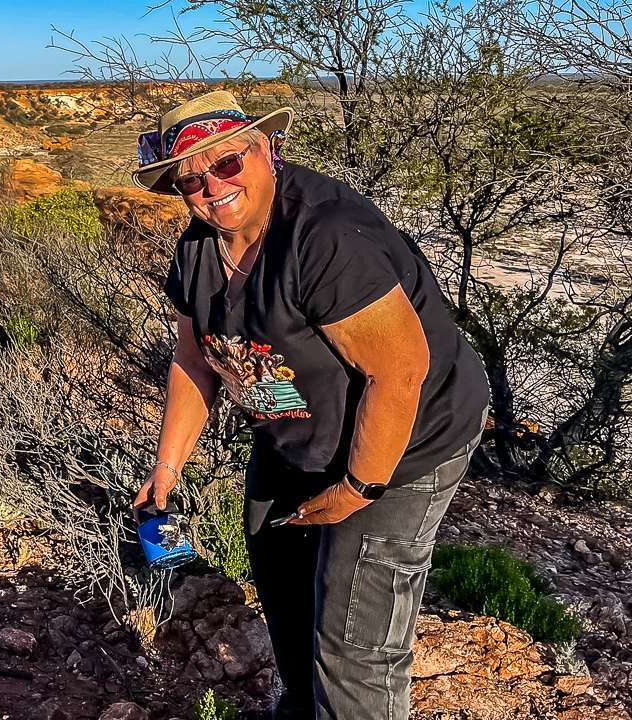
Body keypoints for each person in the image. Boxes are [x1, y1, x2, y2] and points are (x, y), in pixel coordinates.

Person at [129, 91, 490, 719]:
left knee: (356, 638)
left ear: (266, 149)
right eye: (191, 177)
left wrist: (359, 488)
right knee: (285, 584)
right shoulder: (198, 248)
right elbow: (195, 358)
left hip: (404, 444)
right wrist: (168, 466)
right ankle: (302, 704)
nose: (212, 187)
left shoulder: (325, 238)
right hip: (295, 435)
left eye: (228, 164)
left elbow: (400, 372)